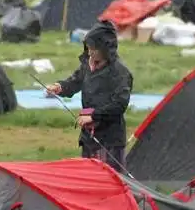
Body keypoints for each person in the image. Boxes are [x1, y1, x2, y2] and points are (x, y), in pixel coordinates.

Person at [45, 21, 132, 173]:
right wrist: (60, 87)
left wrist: (94, 116)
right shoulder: (88, 65)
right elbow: (75, 82)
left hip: (110, 138)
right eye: (89, 47)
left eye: (94, 48)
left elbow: (119, 104)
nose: (90, 52)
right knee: (88, 177)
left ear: (106, 49)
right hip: (89, 137)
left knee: (110, 180)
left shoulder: (120, 72)